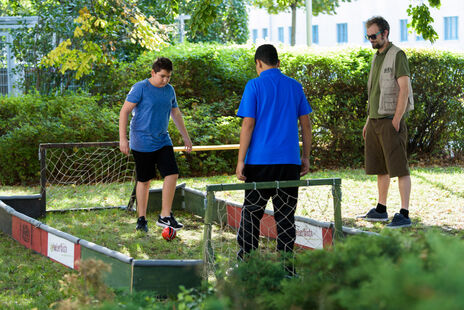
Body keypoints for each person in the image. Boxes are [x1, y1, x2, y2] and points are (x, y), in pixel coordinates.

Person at [235, 44, 312, 261]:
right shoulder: (295, 86)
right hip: (289, 163)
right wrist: (305, 156)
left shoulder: (254, 85)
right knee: (286, 216)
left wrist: (241, 160)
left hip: (259, 163)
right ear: (278, 63)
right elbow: (306, 126)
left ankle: (246, 261)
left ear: (258, 63)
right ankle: (287, 266)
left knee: (251, 213)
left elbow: (248, 125)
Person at [119, 57, 192, 232]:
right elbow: (125, 111)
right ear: (153, 73)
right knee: (144, 180)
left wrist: (186, 137)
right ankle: (141, 219)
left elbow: (175, 113)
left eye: (169, 77)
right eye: (162, 76)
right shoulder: (140, 88)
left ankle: (165, 216)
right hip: (141, 141)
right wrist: (123, 138)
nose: (165, 80)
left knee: (172, 173)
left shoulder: (169, 90)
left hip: (162, 139)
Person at [358, 16, 414, 228]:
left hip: (391, 120)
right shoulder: (376, 57)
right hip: (374, 121)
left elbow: (404, 88)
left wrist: (397, 119)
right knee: (381, 168)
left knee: (399, 168)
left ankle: (404, 213)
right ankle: (381, 209)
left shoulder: (397, 55)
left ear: (385, 33)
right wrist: (367, 121)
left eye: (374, 36)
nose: (371, 39)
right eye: (368, 36)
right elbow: (374, 92)